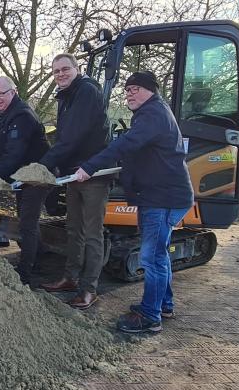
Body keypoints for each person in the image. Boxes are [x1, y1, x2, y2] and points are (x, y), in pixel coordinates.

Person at [74, 71, 191, 334]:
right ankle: (164, 305)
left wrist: (90, 167)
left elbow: (126, 144)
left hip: (163, 199)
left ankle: (151, 317)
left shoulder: (153, 114)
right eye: (126, 90)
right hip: (159, 196)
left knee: (152, 258)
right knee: (159, 255)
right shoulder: (151, 114)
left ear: (151, 90)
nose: (129, 93)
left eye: (135, 88)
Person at [37, 53, 111, 310]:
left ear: (77, 69)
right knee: (73, 229)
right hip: (73, 174)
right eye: (56, 71)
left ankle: (89, 288)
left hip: (93, 175)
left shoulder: (87, 92)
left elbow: (74, 137)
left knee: (92, 233)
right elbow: (63, 137)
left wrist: (41, 166)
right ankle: (70, 278)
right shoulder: (65, 97)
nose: (60, 74)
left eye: (65, 69)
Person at [0, 77, 49, 285]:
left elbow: (13, 154)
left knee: (27, 223)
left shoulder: (22, 116)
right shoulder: (2, 115)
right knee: (24, 218)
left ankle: (24, 274)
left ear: (12, 92)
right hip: (24, 174)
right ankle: (39, 257)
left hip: (38, 174)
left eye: (0, 94)